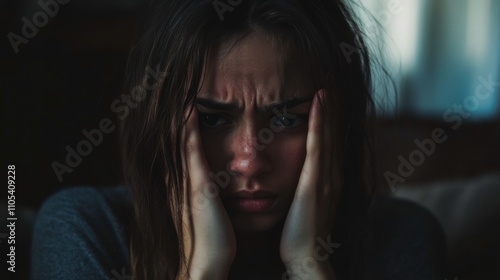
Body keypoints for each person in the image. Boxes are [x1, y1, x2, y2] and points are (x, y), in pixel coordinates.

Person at [31, 0, 446, 279]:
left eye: (285, 118)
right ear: (160, 125)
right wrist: (204, 271)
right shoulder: (84, 229)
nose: (250, 162)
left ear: (338, 124)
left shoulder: (401, 238)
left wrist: (308, 264)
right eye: (213, 120)